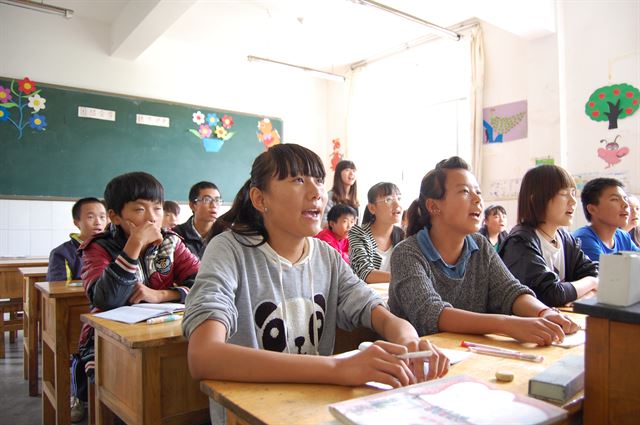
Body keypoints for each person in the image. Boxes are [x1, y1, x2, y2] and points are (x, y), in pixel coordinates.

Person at [182, 144, 449, 425]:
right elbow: (203, 356)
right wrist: (338, 367)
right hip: (249, 415)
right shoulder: (229, 250)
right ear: (260, 199)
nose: (316, 193)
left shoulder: (326, 256)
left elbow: (380, 313)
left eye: (319, 181)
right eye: (298, 180)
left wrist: (410, 345)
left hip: (313, 411)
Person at [390, 157, 579, 344]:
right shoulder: (407, 253)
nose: (477, 199)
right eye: (464, 191)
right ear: (434, 206)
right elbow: (431, 313)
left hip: (470, 356)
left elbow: (510, 291)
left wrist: (543, 312)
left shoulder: (479, 245)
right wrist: (508, 324)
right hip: (419, 363)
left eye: (478, 192)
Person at [75, 172, 200, 422]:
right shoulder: (98, 247)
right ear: (115, 216)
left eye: (157, 207)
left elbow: (204, 283)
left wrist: (161, 295)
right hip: (108, 340)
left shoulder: (171, 243)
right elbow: (105, 299)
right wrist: (134, 244)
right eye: (140, 209)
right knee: (129, 397)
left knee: (186, 385)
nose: (152, 217)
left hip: (165, 330)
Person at [499, 165, 598, 307]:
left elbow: (595, 272)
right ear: (536, 199)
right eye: (564, 194)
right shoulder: (520, 242)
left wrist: (583, 292)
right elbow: (550, 294)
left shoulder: (565, 239)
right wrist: (591, 283)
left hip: (561, 322)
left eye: (573, 193)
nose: (573, 201)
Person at [349, 182, 404, 283]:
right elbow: (365, 273)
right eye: (389, 200)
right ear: (372, 208)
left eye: (399, 198)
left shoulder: (402, 235)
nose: (397, 205)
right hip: (366, 296)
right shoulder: (358, 233)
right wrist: (405, 279)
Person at [573, 178, 640, 262]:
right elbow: (609, 272)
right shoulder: (583, 238)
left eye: (625, 199)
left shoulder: (622, 236)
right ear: (592, 209)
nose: (626, 205)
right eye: (615, 199)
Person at [47, 197, 107, 282]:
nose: (98, 222)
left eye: (102, 217)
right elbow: (58, 289)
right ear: (77, 222)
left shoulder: (113, 247)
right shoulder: (61, 253)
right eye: (90, 217)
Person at [173, 181, 222, 258]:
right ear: (192, 205)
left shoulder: (224, 234)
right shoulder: (177, 235)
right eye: (207, 200)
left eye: (217, 200)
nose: (214, 205)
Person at [322, 160, 359, 227]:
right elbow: (324, 222)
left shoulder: (355, 199)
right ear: (339, 174)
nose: (351, 173)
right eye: (347, 170)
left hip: (352, 237)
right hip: (333, 236)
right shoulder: (331, 196)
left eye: (353, 171)